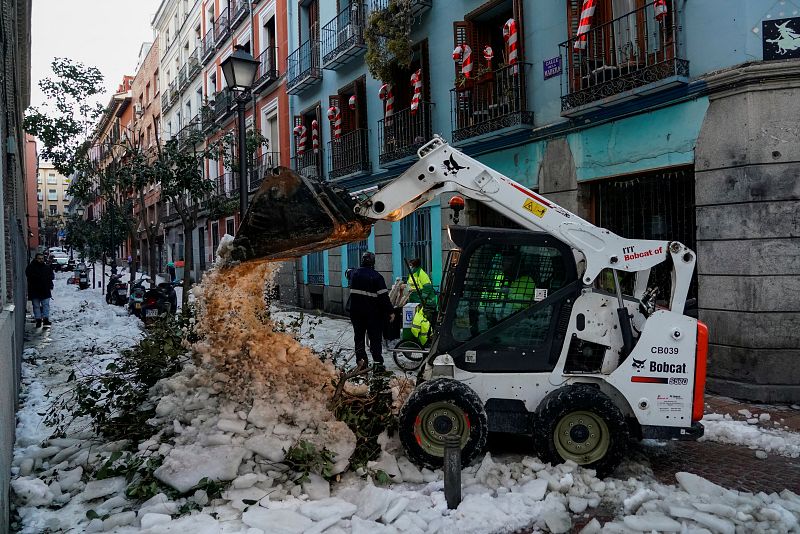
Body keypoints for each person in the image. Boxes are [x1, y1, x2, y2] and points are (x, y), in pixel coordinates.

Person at [348, 251, 393, 369]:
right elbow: (384, 298)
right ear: (373, 262)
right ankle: (377, 365)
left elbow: (347, 272)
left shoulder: (354, 273)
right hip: (372, 314)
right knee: (375, 339)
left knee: (359, 337)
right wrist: (390, 311)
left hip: (356, 313)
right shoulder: (377, 277)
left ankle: (361, 363)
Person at [26, 252, 55, 328]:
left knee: (46, 305)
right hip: (34, 290)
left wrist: (49, 284)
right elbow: (29, 276)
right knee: (36, 306)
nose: (41, 260)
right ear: (36, 259)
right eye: (39, 259)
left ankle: (45, 319)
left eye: (42, 259)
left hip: (45, 290)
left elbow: (51, 276)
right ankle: (38, 320)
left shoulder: (47, 268)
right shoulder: (31, 268)